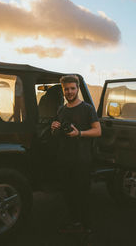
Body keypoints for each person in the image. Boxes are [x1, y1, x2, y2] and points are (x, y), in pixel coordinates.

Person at [50, 75, 101, 233]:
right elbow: (55, 135)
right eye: (66, 89)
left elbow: (98, 131)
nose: (70, 91)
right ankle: (74, 222)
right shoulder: (61, 109)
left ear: (78, 89)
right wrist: (54, 127)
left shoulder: (87, 109)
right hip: (64, 159)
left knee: (82, 196)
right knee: (68, 195)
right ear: (63, 90)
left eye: (73, 88)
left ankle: (87, 229)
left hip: (81, 160)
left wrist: (80, 134)